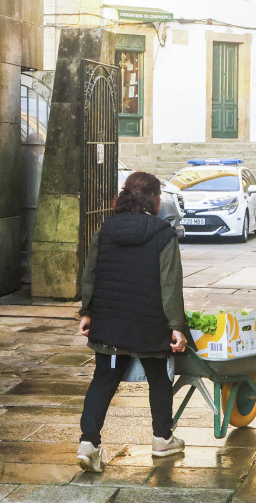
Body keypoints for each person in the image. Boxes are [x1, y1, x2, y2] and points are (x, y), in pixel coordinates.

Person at [76, 171, 188, 473]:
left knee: (104, 379)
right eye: (159, 196)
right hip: (149, 323)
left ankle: (88, 444)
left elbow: (91, 272)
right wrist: (177, 326)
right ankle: (162, 439)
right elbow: (170, 285)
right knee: (159, 379)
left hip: (110, 322)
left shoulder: (106, 228)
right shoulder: (163, 233)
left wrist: (87, 311)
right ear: (153, 198)